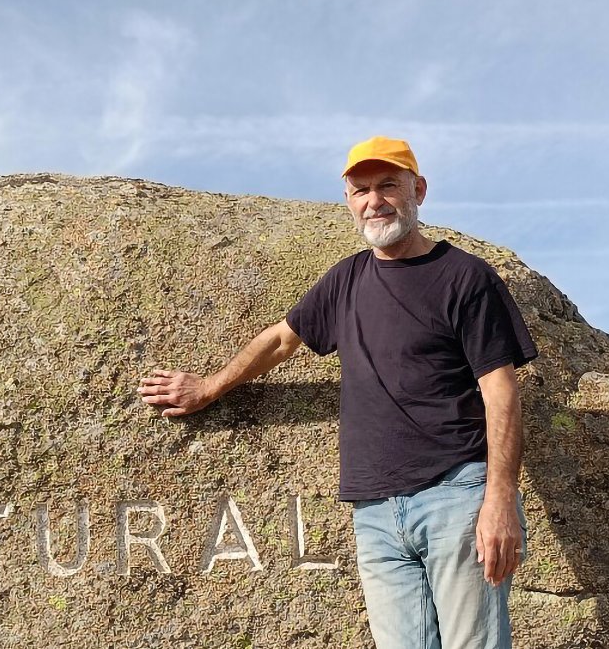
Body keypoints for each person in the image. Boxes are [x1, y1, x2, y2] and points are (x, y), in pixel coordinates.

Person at [138, 136, 538, 649]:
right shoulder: (347, 279)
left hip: (455, 497)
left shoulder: (464, 277)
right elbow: (281, 340)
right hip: (374, 511)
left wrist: (499, 499)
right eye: (361, 190)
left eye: (388, 185)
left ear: (418, 190)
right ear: (348, 200)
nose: (375, 201)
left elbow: (501, 393)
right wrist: (209, 388)